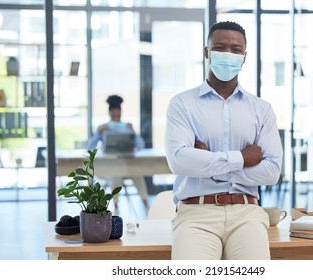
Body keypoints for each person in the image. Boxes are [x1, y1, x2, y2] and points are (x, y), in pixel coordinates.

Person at [165, 21, 283, 260]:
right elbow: (179, 161)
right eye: (220, 47)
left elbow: (272, 171)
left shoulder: (262, 110)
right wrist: (242, 158)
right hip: (196, 213)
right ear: (207, 52)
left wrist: (209, 164)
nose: (228, 54)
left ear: (244, 57)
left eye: (236, 49)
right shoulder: (182, 104)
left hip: (247, 212)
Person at [89, 95, 149, 209]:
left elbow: (141, 146)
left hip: (127, 164)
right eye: (114, 112)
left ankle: (146, 204)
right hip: (110, 166)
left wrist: (133, 132)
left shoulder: (127, 127)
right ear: (109, 112)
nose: (116, 114)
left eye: (118, 112)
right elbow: (91, 147)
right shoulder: (103, 128)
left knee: (137, 173)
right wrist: (98, 132)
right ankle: (115, 206)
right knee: (116, 172)